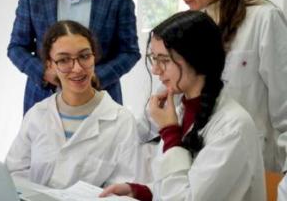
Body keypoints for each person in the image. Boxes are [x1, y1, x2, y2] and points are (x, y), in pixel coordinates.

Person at [101, 11, 265, 200]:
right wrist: (142, 191)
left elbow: (187, 197)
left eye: (164, 60)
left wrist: (170, 132)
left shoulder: (233, 127)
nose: (155, 70)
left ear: (197, 59)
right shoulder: (181, 110)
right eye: (154, 59)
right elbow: (177, 182)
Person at [162, 0, 287, 173]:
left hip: (253, 166)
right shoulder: (192, 24)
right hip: (200, 165)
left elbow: (286, 111)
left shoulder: (264, 19)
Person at [7, 0, 140, 113]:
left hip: (101, 103)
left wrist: (95, 77)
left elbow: (129, 52)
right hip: (43, 102)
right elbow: (16, 48)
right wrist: (44, 73)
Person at [6, 20, 142, 188]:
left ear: (94, 57)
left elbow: (124, 189)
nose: (77, 68)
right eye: (64, 60)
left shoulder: (122, 121)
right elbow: (14, 174)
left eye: (84, 56)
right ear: (50, 64)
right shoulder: (37, 115)